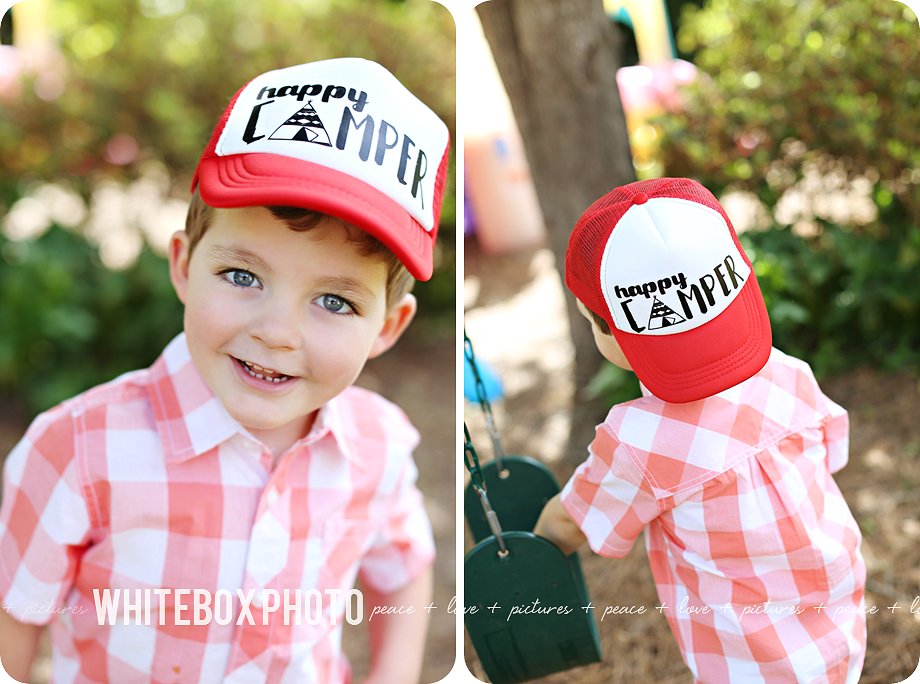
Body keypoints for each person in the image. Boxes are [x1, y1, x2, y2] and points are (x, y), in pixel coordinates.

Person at [0, 58, 450, 684]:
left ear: (387, 327)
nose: (275, 331)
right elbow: (14, 618)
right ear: (183, 266)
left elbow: (402, 571)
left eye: (335, 301)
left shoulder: (379, 447)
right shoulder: (76, 450)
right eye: (243, 276)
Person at [534, 177, 866, 683]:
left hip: (749, 664)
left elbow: (571, 522)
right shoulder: (788, 372)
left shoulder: (640, 442)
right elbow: (829, 455)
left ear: (604, 327)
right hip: (839, 630)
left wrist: (527, 550)